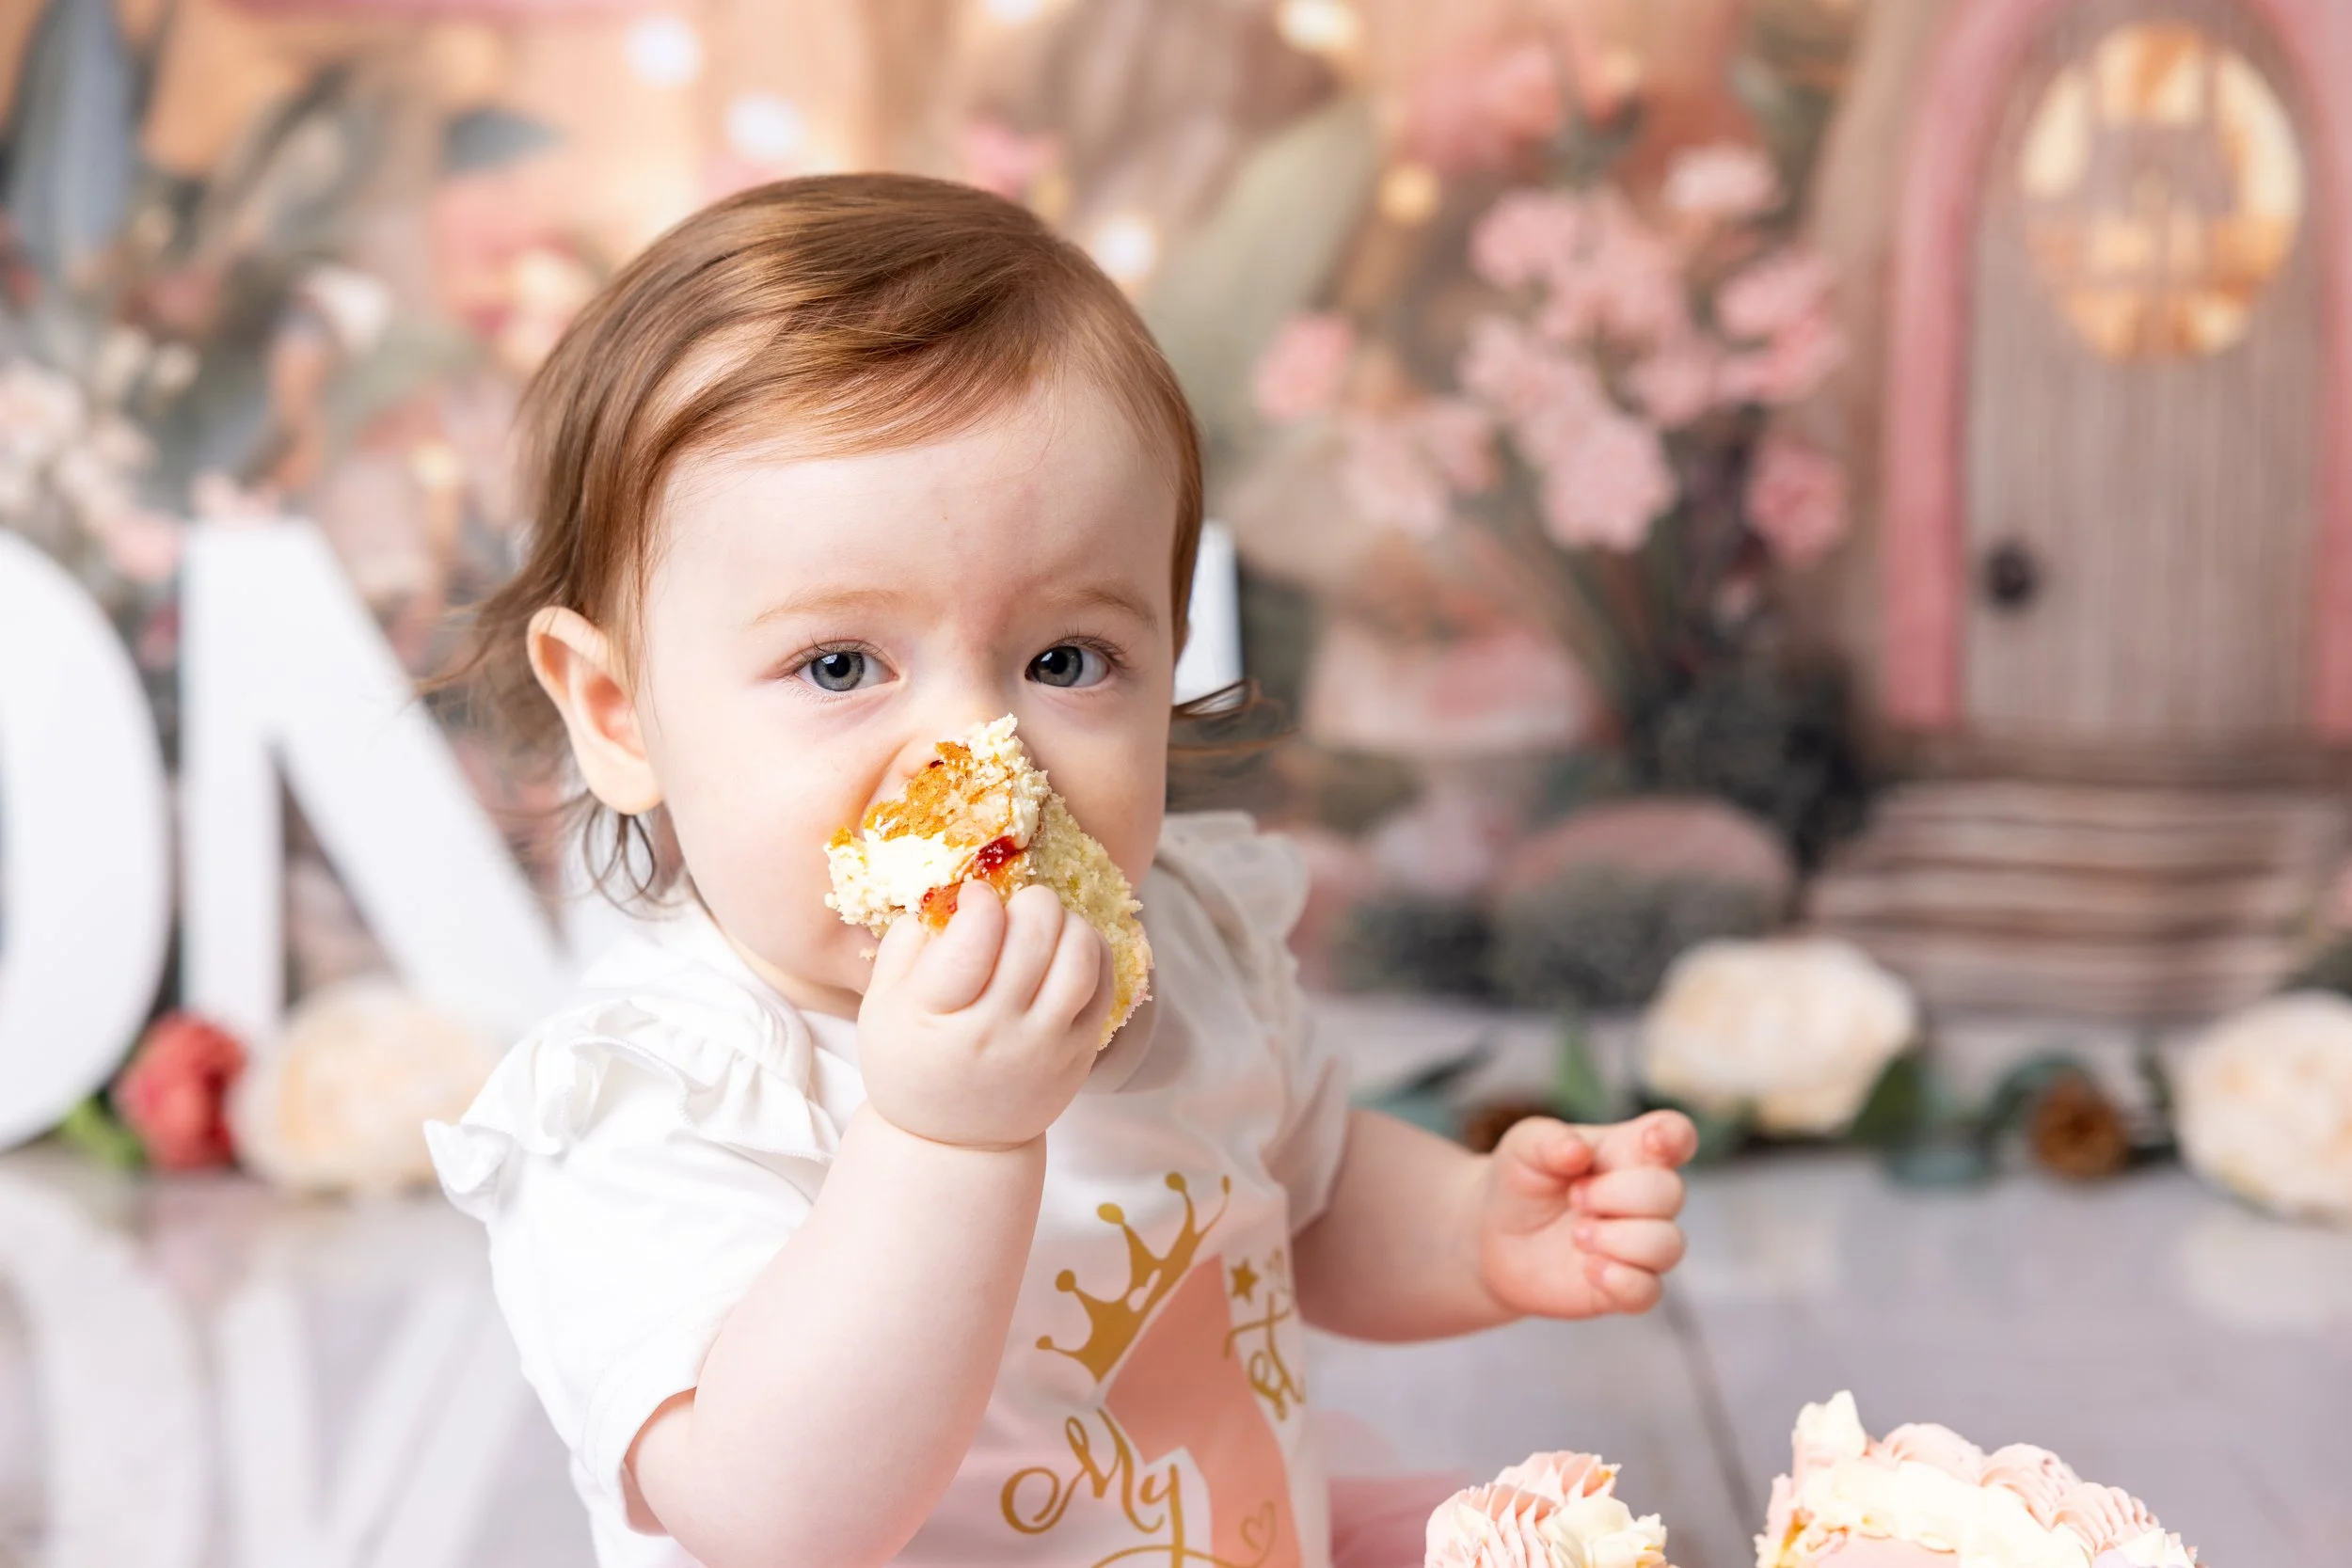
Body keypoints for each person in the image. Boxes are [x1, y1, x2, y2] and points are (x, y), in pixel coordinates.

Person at [425, 173, 1696, 1568]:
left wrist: (1474, 1229)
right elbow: (777, 1515)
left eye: (1066, 660)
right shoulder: (654, 1102)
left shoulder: (1186, 949)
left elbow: (1307, 1189)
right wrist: (940, 1139)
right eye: (840, 664)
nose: (985, 753)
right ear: (617, 712)